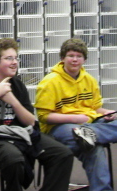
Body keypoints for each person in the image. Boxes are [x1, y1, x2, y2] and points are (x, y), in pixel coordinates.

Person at [0, 38, 73, 191]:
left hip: (19, 132)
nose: (15, 62)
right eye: (9, 58)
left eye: (16, 58)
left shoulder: (17, 84)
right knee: (14, 159)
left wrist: (14, 102)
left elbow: (30, 122)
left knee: (63, 154)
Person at [35, 38, 117, 191]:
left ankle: (90, 133)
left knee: (91, 140)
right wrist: (74, 118)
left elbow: (96, 108)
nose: (74, 60)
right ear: (62, 58)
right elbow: (43, 116)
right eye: (71, 56)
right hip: (59, 126)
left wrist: (107, 113)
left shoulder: (89, 80)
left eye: (79, 56)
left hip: (89, 123)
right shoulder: (50, 82)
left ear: (84, 60)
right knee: (93, 147)